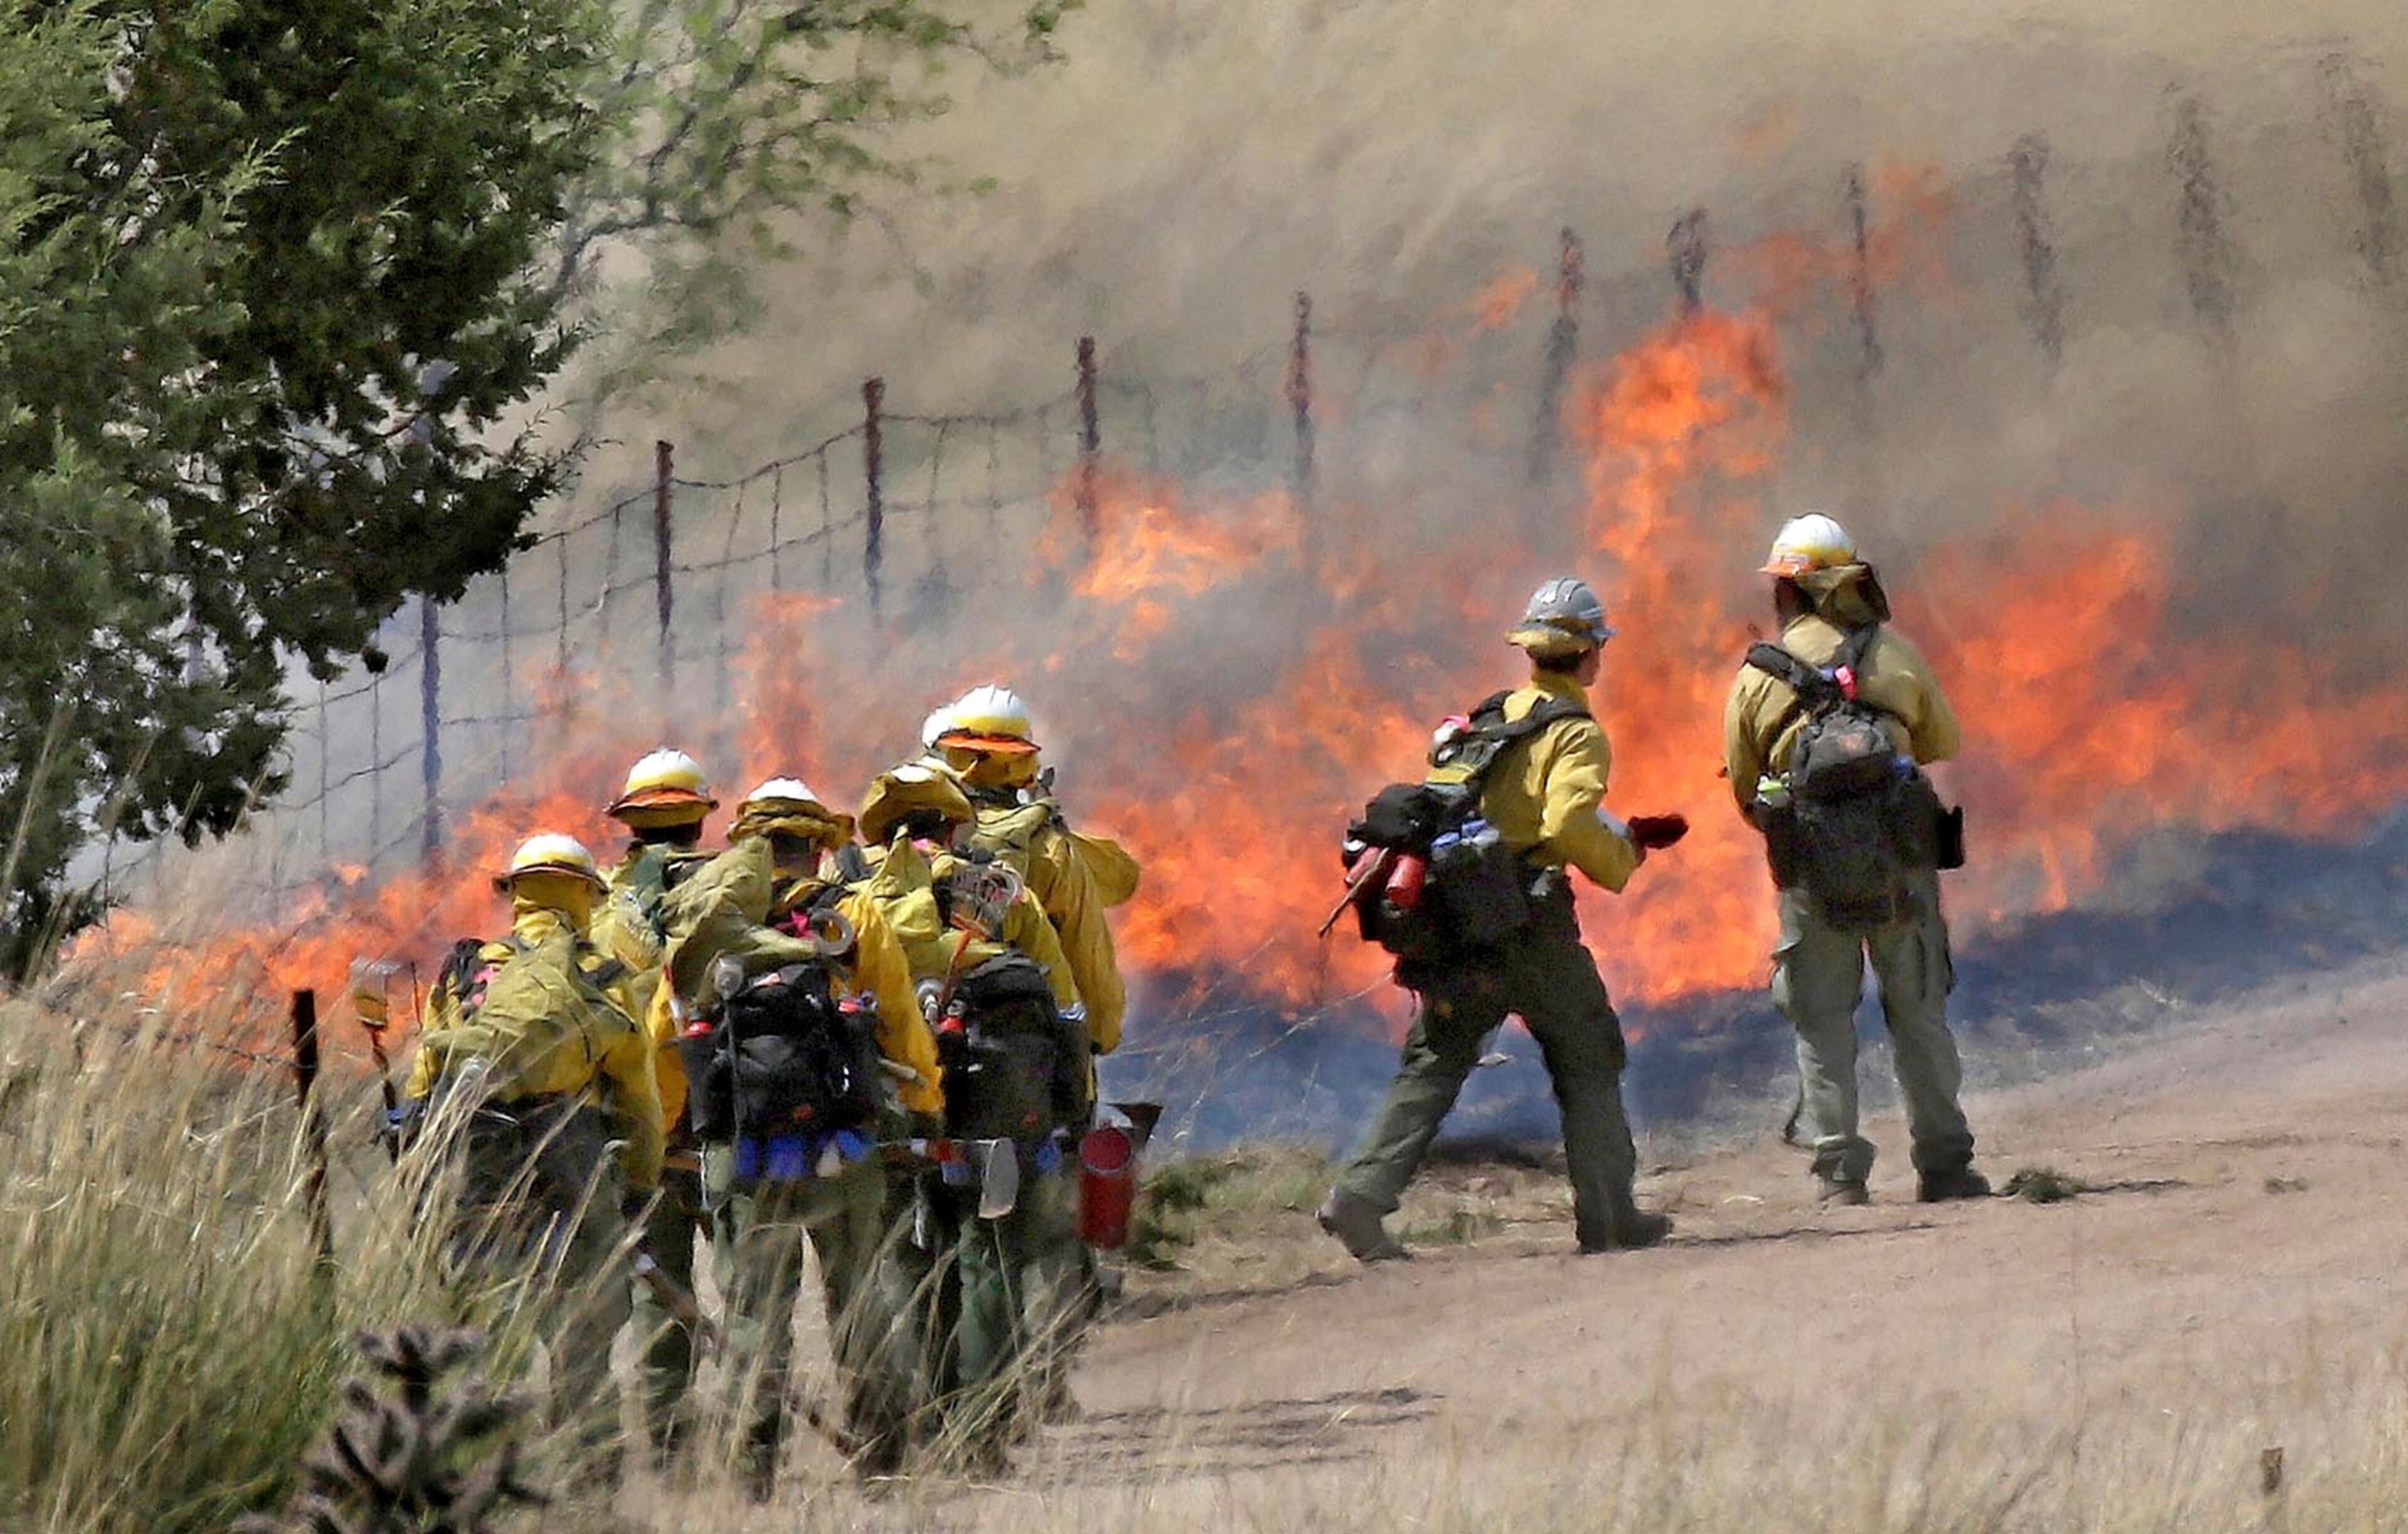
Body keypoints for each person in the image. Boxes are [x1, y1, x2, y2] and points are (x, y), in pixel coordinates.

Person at [1321, 578, 1680, 1261]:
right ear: (1589, 654)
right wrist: (1623, 856)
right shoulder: (1575, 732)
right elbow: (1565, 822)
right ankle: (1608, 1216)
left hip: (1459, 918)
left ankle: (1358, 1200)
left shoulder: (1490, 718)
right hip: (1529, 926)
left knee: (1435, 1061)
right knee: (1589, 1051)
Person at [657, 777, 940, 1489]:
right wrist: (927, 1102)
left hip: (744, 1151)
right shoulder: (854, 914)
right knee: (863, 1300)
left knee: (753, 1317)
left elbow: (663, 1039)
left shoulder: (704, 925)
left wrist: (667, 1136)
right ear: (818, 847)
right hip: (844, 1149)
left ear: (750, 845)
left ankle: (754, 1476)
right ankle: (887, 1463)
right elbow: (901, 1020)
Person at [1722, 512, 1988, 1206]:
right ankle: (1946, 1165)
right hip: (1902, 868)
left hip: (1811, 878)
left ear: (1790, 591)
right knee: (1919, 1011)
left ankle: (1840, 1175)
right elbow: (1941, 741)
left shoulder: (1756, 677)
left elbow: (1746, 791)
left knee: (1822, 1021)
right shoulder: (1895, 655)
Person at [401, 833, 662, 1467]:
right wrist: (640, 1182)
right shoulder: (601, 971)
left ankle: (486, 1461)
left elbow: (426, 1076)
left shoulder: (469, 971)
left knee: (484, 1299)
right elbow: (637, 1092)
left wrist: (419, 1167)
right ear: (585, 894)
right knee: (589, 1307)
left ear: (516, 894)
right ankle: (589, 1465)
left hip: (477, 1138)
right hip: (572, 1143)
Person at [858, 761, 1086, 1463]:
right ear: (954, 825)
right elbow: (1067, 1003)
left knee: (906, 1254)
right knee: (990, 1254)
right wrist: (1071, 1110)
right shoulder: (1003, 890)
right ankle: (981, 1435)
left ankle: (918, 1419)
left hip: (901, 1094)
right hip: (1000, 1091)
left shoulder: (859, 899)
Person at [927, 684, 1139, 1408]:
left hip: (916, 1060)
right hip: (1023, 1064)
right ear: (1021, 764)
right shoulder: (1042, 845)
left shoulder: (902, 844)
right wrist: (1092, 1047)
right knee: (1029, 1235)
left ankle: (945, 1396)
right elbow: (1087, 948)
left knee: (934, 1240)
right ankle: (1034, 1388)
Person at [591, 746, 720, 1463]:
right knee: (762, 1293)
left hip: (649, 1137)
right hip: (734, 1128)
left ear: (632, 826)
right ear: (701, 821)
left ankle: (671, 1456)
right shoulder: (735, 897)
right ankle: (756, 1448)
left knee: (658, 1299)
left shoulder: (604, 914)